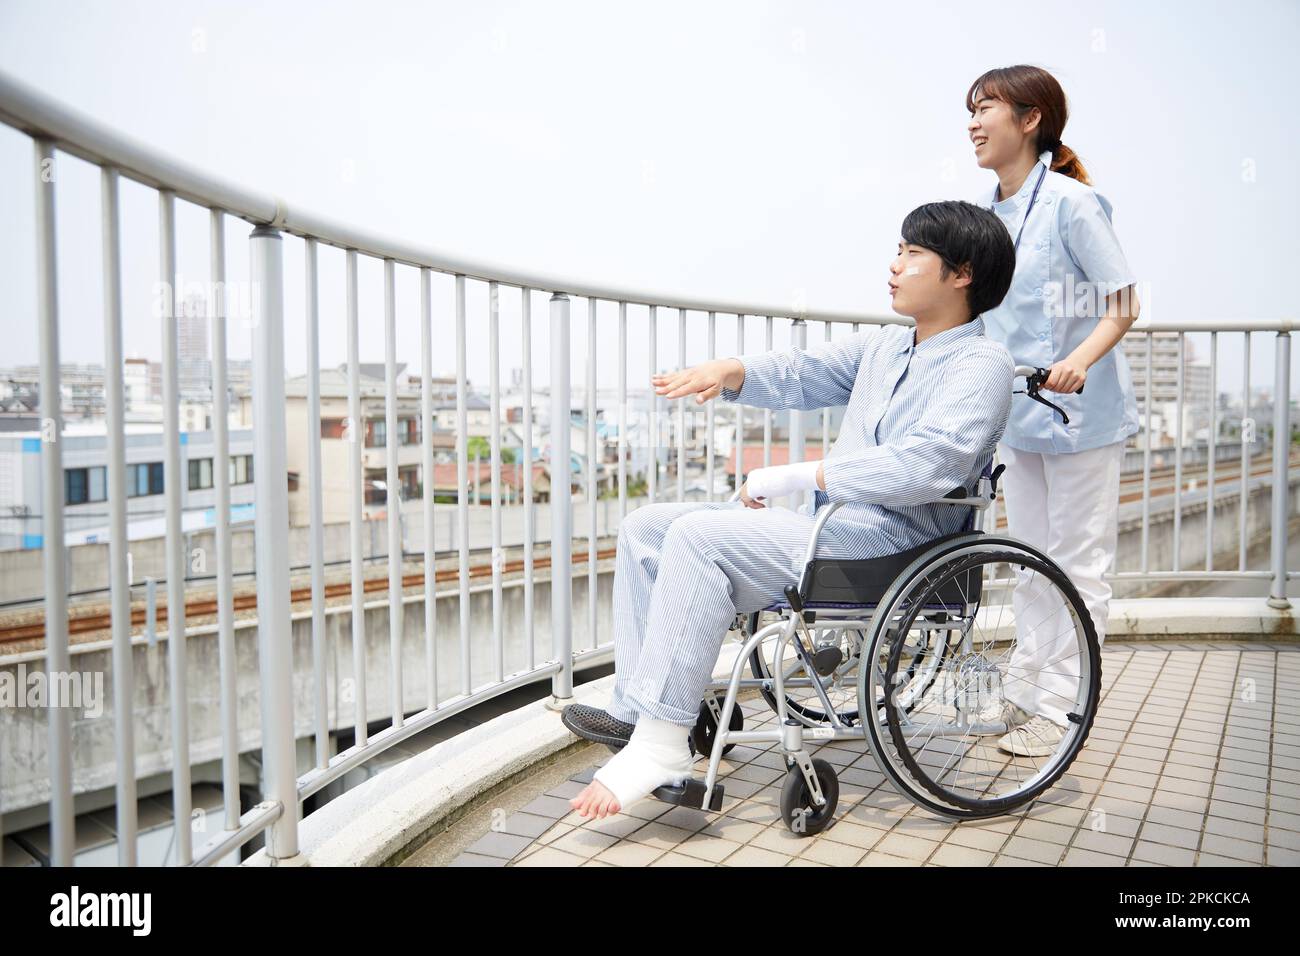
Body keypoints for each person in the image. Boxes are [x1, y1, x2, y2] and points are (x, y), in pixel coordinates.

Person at [562, 200, 1017, 819]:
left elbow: (929, 465)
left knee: (699, 537)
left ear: (961, 273)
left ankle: (662, 745)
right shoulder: (888, 348)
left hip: (894, 542)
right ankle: (637, 712)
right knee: (647, 529)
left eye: (913, 254)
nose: (894, 265)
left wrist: (796, 474)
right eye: (898, 249)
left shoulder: (981, 364)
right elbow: (806, 373)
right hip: (834, 526)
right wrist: (732, 371)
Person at [965, 65, 1140, 756]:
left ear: (1030, 118)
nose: (973, 123)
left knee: (1078, 561)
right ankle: (1024, 688)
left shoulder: (1073, 204)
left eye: (986, 109)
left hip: (1081, 412)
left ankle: (1065, 706)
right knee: (1028, 557)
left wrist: (1081, 359)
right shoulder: (983, 216)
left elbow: (1123, 302)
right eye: (970, 112)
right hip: (1018, 413)